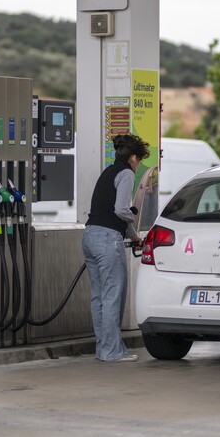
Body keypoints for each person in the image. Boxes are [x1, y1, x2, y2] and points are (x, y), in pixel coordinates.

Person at [83, 134, 150, 363]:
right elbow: (121, 209)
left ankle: (103, 348)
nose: (138, 165)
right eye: (139, 160)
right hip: (107, 241)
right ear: (133, 158)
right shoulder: (127, 174)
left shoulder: (108, 172)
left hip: (90, 236)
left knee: (99, 296)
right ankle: (112, 351)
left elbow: (109, 213)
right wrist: (134, 213)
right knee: (113, 295)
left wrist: (133, 236)